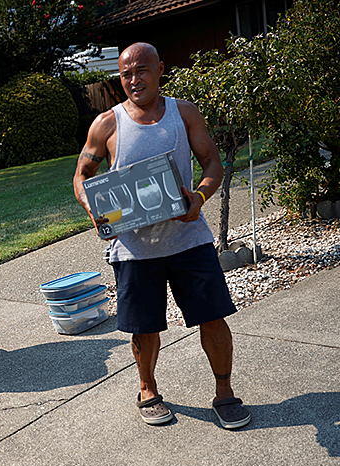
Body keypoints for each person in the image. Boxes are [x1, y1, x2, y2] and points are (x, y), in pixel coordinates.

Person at [72, 42, 251, 429]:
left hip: (189, 240)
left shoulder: (183, 113)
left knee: (214, 318)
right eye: (126, 74)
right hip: (134, 249)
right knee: (144, 326)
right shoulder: (106, 123)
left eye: (142, 70)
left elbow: (212, 163)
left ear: (160, 69)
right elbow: (82, 176)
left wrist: (199, 197)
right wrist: (95, 211)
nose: (134, 80)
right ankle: (147, 388)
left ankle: (224, 392)